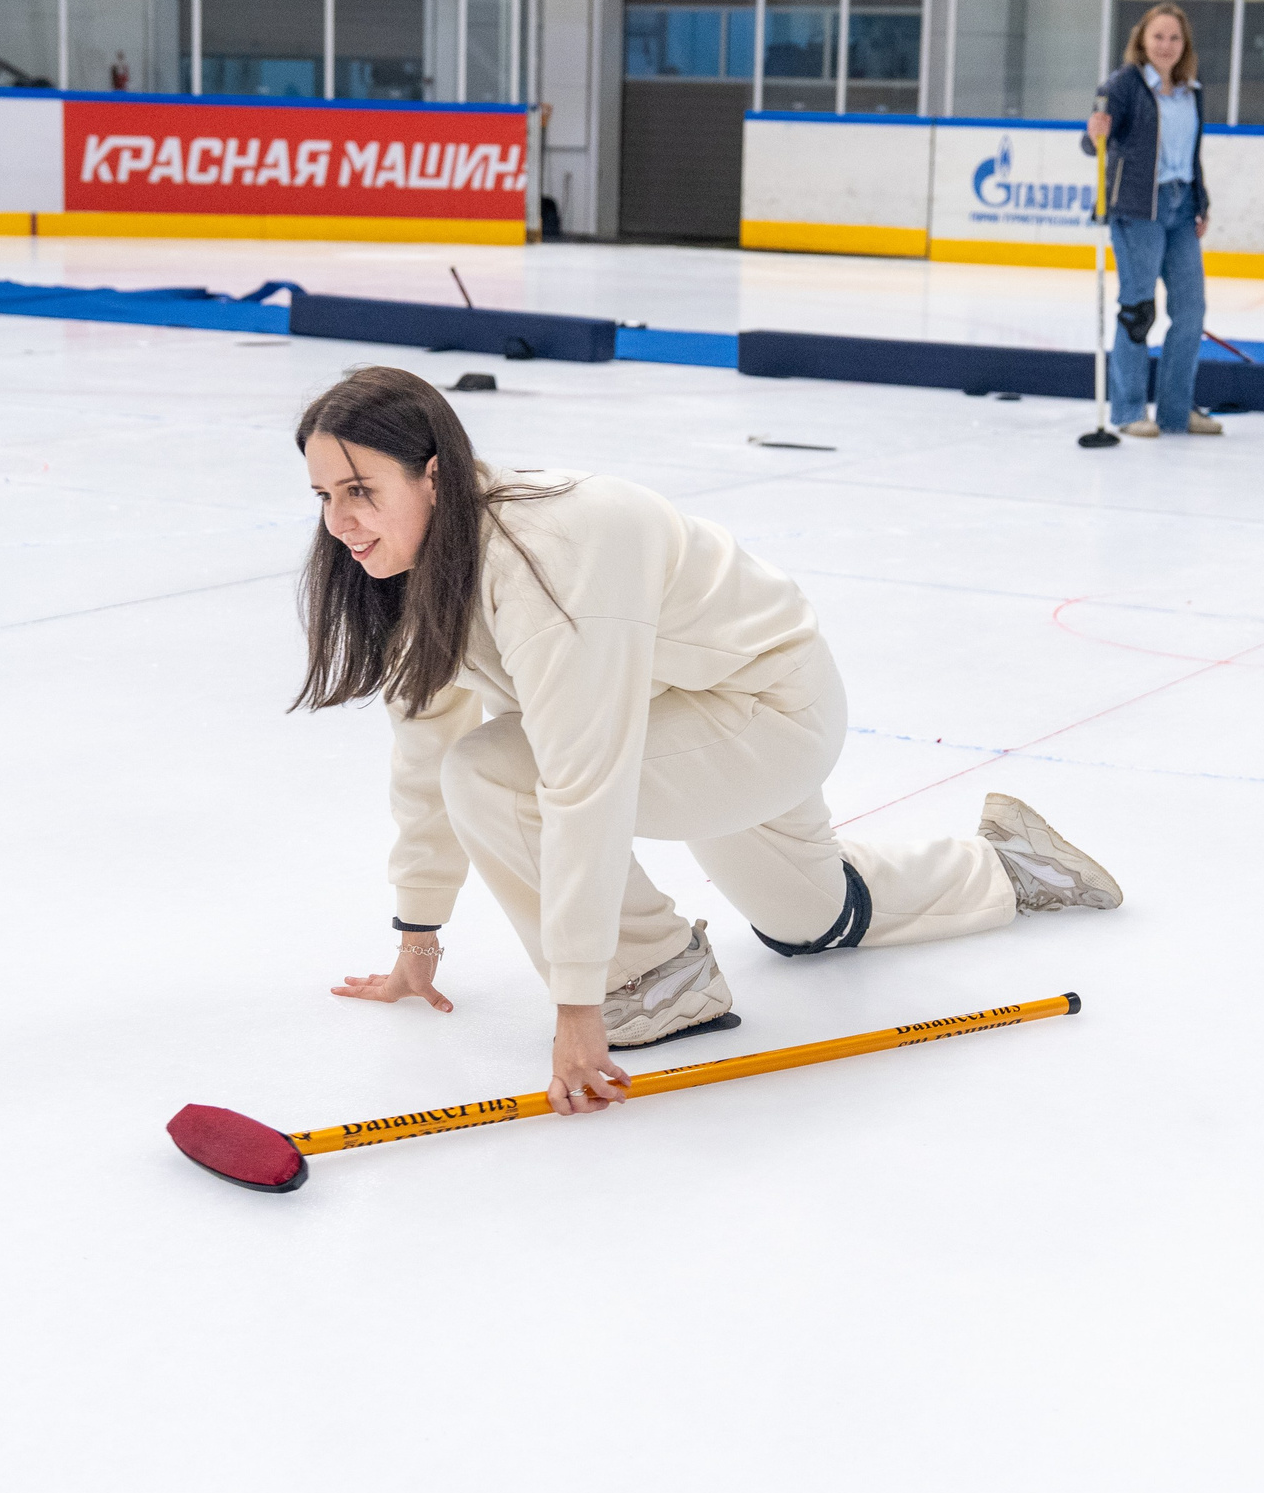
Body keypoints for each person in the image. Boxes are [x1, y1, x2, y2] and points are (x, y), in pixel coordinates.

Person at [295, 368, 1122, 1113]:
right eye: (325, 495)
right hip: (686, 720)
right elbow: (421, 751)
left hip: (763, 711)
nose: (340, 521)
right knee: (814, 917)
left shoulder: (547, 552)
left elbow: (586, 779)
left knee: (492, 773)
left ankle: (655, 979)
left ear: (433, 474)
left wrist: (582, 1003)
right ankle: (1011, 862)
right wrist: (417, 935)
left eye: (360, 489)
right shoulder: (414, 566)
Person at [1083, 3, 1221, 439]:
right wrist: (1093, 134)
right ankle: (1127, 410)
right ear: (1142, 40)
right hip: (1137, 208)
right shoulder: (1122, 86)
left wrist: (1201, 200)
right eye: (1158, 37)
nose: (1166, 45)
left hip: (1181, 207)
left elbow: (1191, 154)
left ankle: (1176, 411)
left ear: (1185, 45)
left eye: (1174, 38)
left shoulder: (1191, 90)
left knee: (1191, 310)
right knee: (1139, 310)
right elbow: (1093, 146)